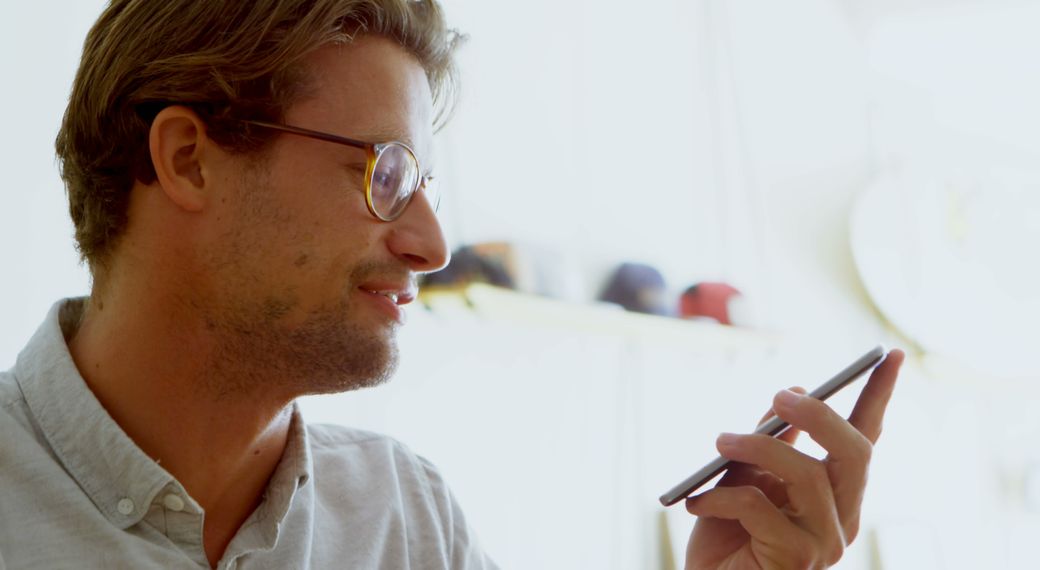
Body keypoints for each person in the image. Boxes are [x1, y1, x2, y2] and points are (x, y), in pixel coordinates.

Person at [0, 0, 904, 568]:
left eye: (424, 186)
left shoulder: (405, 515)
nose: (432, 245)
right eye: (384, 174)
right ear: (190, 161)